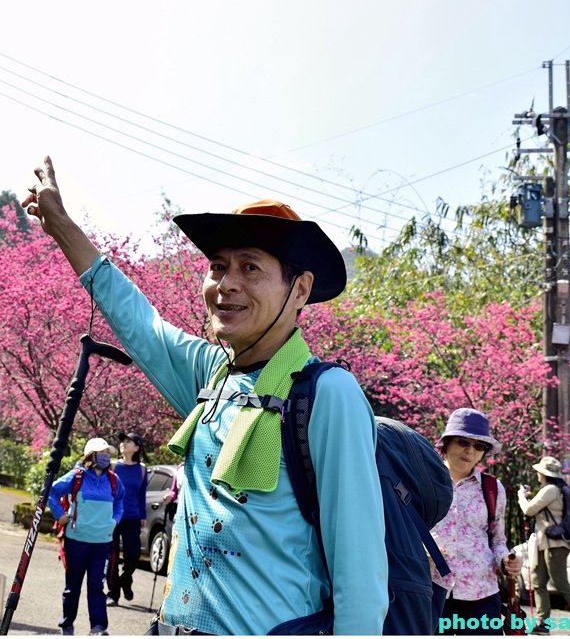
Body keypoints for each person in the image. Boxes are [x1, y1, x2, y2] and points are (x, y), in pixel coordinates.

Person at [25, 156, 388, 634]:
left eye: (251, 267)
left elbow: (360, 577)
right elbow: (140, 322)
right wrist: (63, 228)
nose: (226, 284)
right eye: (218, 266)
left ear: (300, 290)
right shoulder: (211, 375)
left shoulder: (326, 395)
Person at [431, 408, 522, 635]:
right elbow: (407, 532)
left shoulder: (492, 488)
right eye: (463, 441)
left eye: (479, 446)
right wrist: (425, 549)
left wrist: (505, 561)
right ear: (447, 443)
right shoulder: (425, 481)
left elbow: (498, 540)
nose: (470, 450)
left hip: (481, 594)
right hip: (431, 589)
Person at [48, 437, 126, 636]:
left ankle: (98, 628)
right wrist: (60, 516)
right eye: (102, 453)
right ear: (91, 455)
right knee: (72, 586)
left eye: (108, 453)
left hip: (102, 542)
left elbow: (119, 503)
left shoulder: (113, 480)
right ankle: (67, 625)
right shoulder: (76, 477)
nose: (106, 456)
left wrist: (114, 521)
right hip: (76, 540)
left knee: (96, 586)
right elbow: (51, 492)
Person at [518, 456, 570, 636]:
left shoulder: (550, 489)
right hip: (546, 543)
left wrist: (521, 496)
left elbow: (528, 510)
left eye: (538, 471)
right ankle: (543, 624)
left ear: (544, 473)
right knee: (538, 583)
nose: (537, 474)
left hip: (555, 545)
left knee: (561, 584)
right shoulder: (552, 489)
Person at [106, 431, 148, 607]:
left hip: (132, 516)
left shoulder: (142, 469)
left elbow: (141, 494)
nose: (124, 444)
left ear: (137, 447)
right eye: (123, 441)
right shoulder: (113, 466)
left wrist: (143, 515)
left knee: (133, 555)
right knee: (113, 556)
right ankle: (113, 593)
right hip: (114, 516)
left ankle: (126, 579)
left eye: (129, 441)